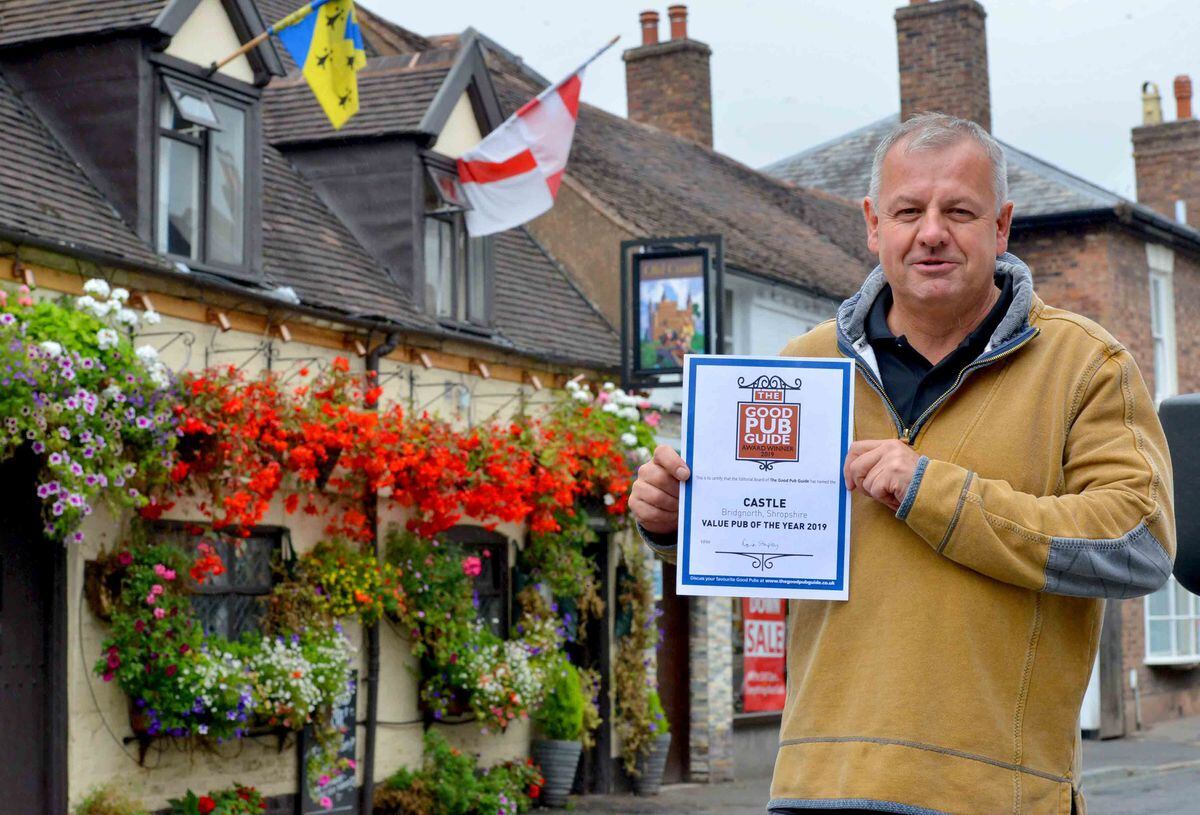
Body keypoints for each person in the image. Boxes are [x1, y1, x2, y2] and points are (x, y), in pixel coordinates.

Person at [629, 113, 1175, 815]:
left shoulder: (1085, 365)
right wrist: (676, 523)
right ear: (872, 223)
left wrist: (931, 489)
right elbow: (757, 540)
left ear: (1002, 226)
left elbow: (1137, 544)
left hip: (995, 794)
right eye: (909, 211)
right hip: (817, 788)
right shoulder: (799, 366)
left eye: (960, 211)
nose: (932, 232)